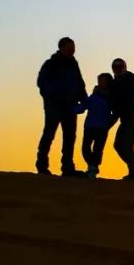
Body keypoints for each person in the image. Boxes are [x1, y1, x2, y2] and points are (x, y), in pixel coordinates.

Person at [36, 37, 88, 176]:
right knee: (49, 133)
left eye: (74, 48)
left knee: (70, 136)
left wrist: (84, 101)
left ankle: (67, 167)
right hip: (55, 105)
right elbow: (41, 81)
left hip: (70, 106)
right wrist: (52, 95)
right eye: (70, 47)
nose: (73, 50)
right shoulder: (51, 63)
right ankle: (42, 165)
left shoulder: (73, 64)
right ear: (62, 47)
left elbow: (79, 83)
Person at [75, 73, 115, 178]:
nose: (100, 83)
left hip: (102, 127)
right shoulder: (94, 95)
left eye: (103, 81)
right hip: (90, 126)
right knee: (85, 148)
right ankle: (92, 166)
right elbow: (84, 106)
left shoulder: (112, 97)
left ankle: (93, 168)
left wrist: (109, 122)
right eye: (99, 81)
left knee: (98, 149)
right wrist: (71, 109)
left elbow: (116, 112)